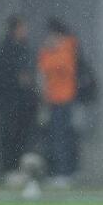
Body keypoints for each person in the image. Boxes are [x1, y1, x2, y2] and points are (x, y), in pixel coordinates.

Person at [0, 15, 38, 182]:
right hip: (9, 105)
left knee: (23, 138)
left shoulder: (25, 48)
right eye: (22, 28)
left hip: (25, 105)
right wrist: (15, 80)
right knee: (9, 137)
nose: (25, 31)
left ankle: (21, 171)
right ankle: (8, 170)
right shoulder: (6, 50)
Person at [37, 18, 81, 187]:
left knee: (62, 137)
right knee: (54, 137)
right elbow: (42, 70)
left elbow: (60, 67)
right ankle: (58, 171)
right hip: (52, 100)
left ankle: (65, 172)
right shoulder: (49, 51)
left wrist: (51, 51)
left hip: (65, 99)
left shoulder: (67, 47)